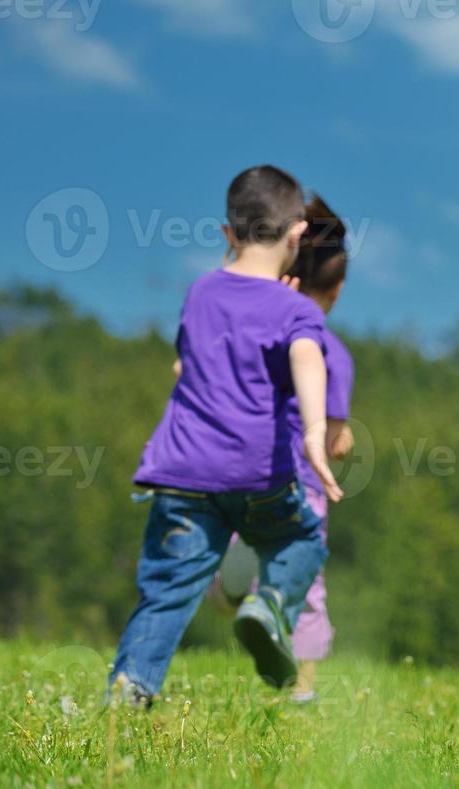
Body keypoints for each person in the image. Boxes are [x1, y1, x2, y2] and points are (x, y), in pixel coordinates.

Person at [109, 166, 342, 705]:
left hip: (183, 472)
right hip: (256, 473)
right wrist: (313, 429)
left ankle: (129, 689)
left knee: (167, 590)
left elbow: (196, 353)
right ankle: (271, 606)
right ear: (297, 233)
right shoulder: (296, 309)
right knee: (301, 538)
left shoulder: (200, 292)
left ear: (227, 235)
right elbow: (306, 355)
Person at [184, 194, 356, 705]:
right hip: (300, 485)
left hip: (240, 475)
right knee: (305, 587)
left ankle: (233, 587)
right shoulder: (331, 351)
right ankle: (299, 687)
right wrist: (341, 442)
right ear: (338, 288)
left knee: (235, 574)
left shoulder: (253, 328)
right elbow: (333, 438)